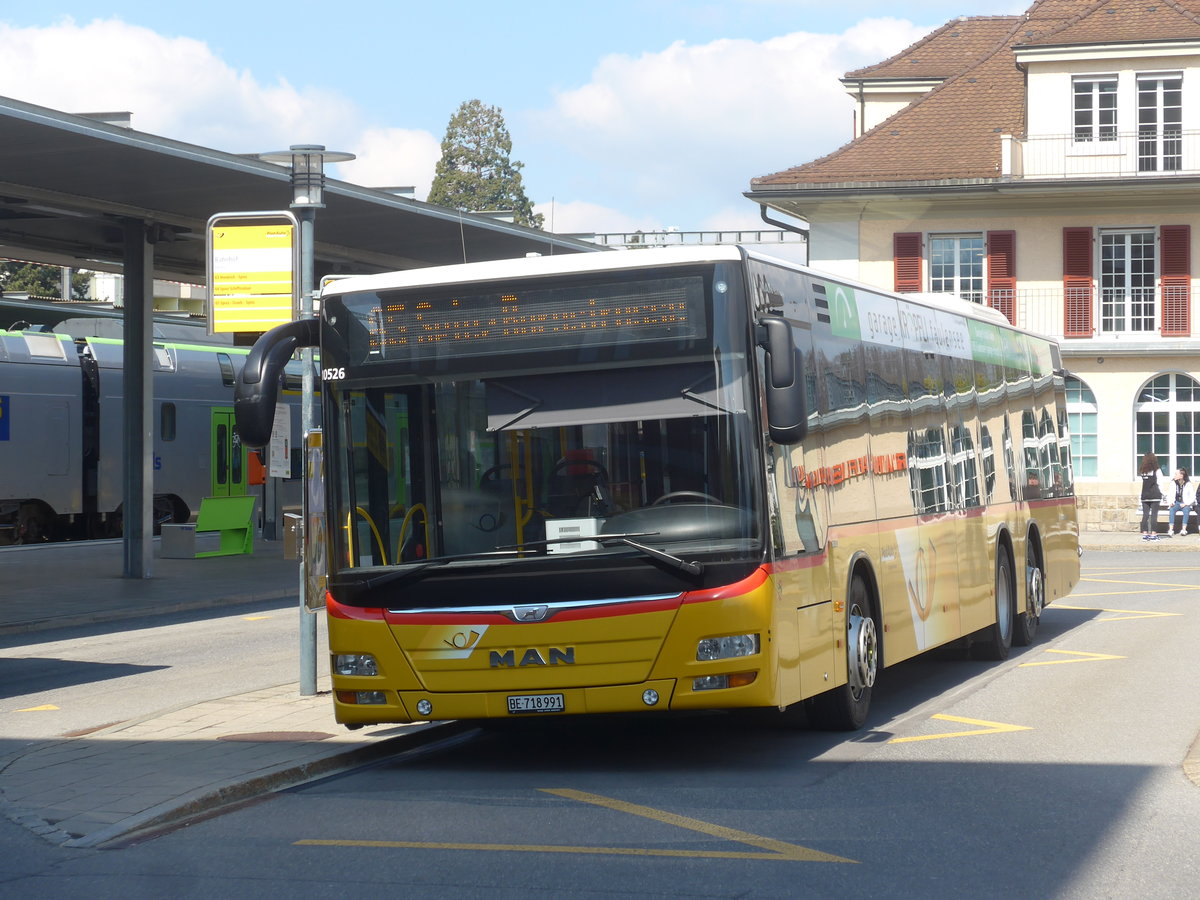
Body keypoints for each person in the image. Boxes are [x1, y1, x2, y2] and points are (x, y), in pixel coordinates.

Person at [1137, 453, 1164, 541]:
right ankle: (1153, 534)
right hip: (1155, 495)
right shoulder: (1157, 470)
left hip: (1144, 495)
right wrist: (1163, 493)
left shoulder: (1142, 471)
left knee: (1145, 515)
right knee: (1154, 515)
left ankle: (1145, 534)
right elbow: (1160, 483)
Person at [1163, 467, 1197, 536]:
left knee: (1186, 510)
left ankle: (1184, 530)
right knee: (1172, 510)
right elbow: (1170, 494)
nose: (1174, 476)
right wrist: (1171, 502)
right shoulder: (1173, 483)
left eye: (1176, 474)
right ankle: (1171, 529)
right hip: (1176, 502)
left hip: (1185, 503)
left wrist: (1186, 503)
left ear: (1181, 475)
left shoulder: (1188, 484)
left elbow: (1192, 497)